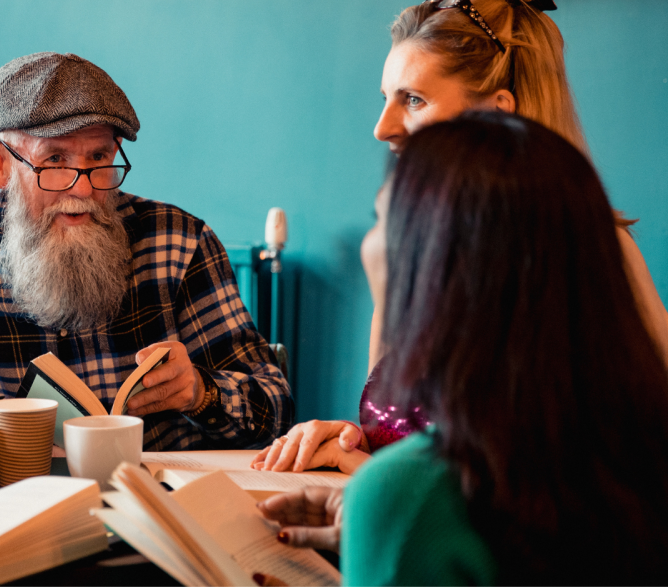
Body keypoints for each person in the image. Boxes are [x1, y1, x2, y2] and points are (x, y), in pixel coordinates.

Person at [253, 0, 668, 475]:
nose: (382, 129)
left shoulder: (594, 250)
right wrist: (348, 442)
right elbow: (402, 449)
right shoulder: (404, 252)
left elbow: (578, 487)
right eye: (385, 98)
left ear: (497, 117)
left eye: (414, 99)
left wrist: (363, 475)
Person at [261, 114, 668, 584]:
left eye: (382, 221)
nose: (368, 247)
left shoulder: (412, 491)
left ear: (436, 262)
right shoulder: (634, 458)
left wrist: (393, 515)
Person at [0, 52, 292, 451]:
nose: (84, 189)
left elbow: (277, 410)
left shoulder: (179, 242)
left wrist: (201, 392)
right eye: (55, 159)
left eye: (99, 157)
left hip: (161, 500)